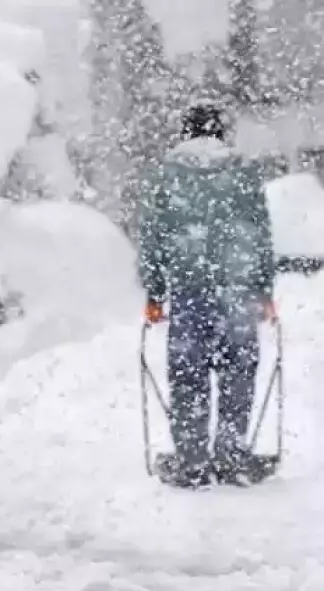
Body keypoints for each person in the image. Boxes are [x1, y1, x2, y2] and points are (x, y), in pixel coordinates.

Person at [137, 101, 278, 488]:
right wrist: (264, 289)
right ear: (220, 133)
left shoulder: (166, 175)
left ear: (187, 132)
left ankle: (193, 461)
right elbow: (259, 233)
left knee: (188, 376)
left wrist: (155, 291)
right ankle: (232, 458)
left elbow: (154, 235)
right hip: (237, 290)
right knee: (238, 373)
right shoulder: (244, 172)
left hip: (189, 288)